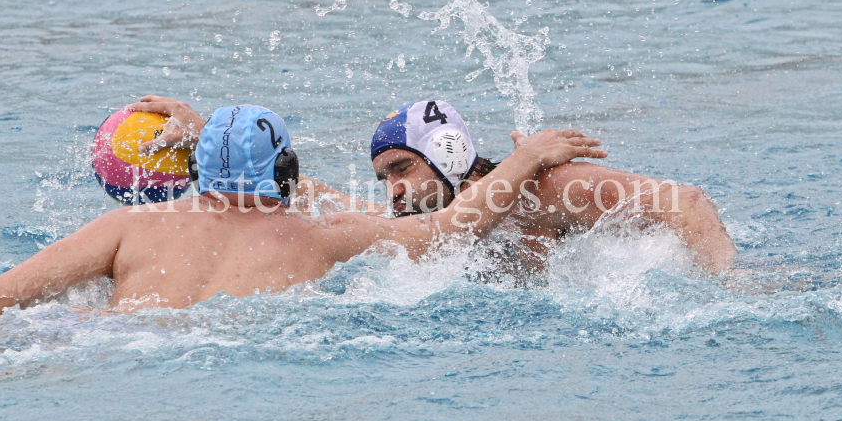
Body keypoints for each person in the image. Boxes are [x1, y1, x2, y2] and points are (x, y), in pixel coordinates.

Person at [0, 104, 605, 315]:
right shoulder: (325, 236)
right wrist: (528, 159)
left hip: (104, 345)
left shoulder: (127, 225)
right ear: (287, 172)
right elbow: (450, 229)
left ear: (193, 175)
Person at [133, 96, 737, 275]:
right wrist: (211, 135)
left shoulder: (549, 188)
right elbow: (304, 192)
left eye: (401, 170)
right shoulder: (418, 220)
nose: (391, 190)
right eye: (383, 178)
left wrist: (726, 278)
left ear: (445, 156)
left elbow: (684, 201)